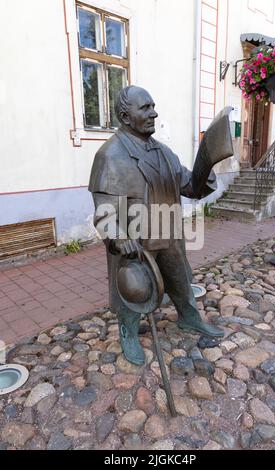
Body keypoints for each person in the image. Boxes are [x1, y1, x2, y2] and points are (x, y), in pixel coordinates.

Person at [89, 85, 227, 365]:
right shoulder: (110, 156)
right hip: (135, 242)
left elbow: (190, 185)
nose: (154, 113)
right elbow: (104, 213)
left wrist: (207, 162)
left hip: (169, 233)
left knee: (180, 281)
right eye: (145, 108)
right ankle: (128, 332)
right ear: (126, 118)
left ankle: (189, 317)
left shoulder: (164, 152)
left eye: (153, 106)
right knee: (134, 288)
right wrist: (118, 238)